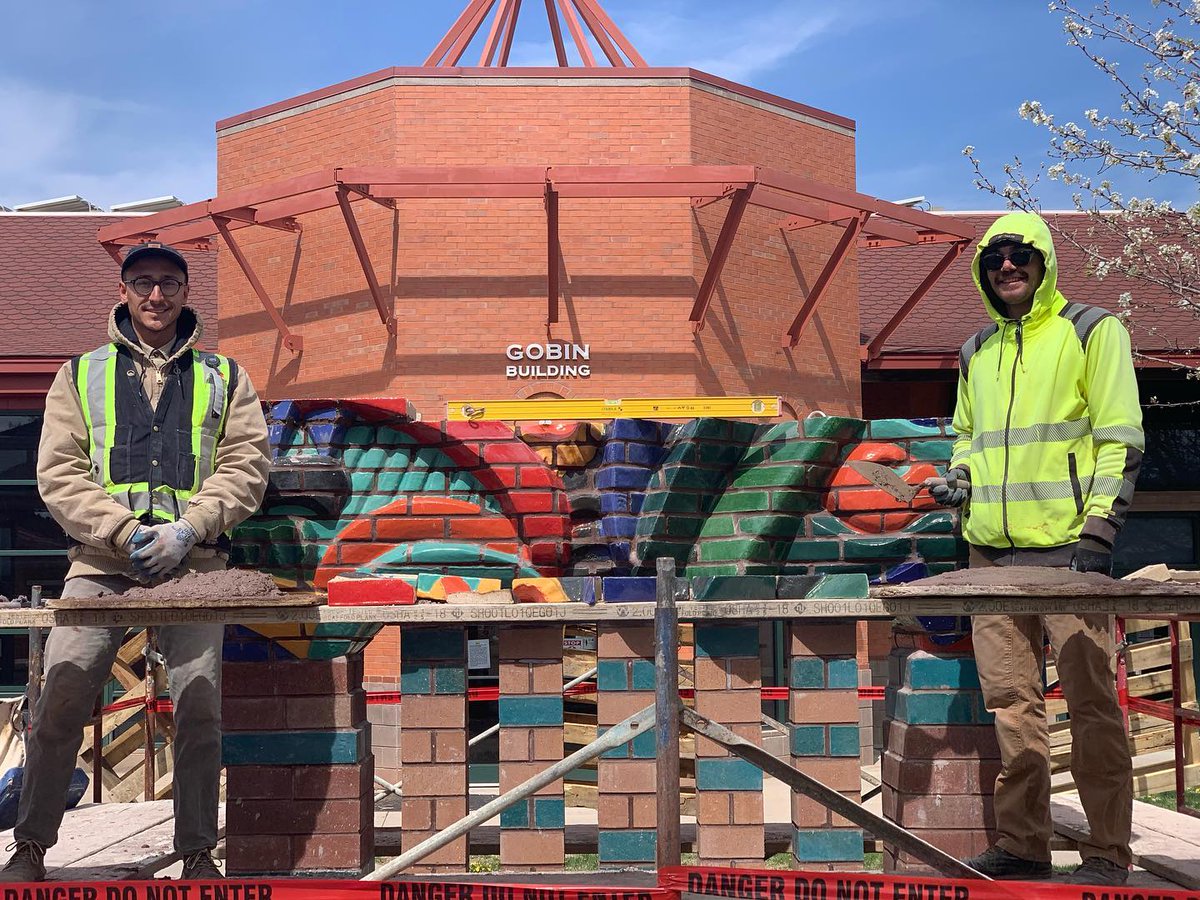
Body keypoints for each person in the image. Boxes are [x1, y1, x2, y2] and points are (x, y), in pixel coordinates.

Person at [2, 243, 271, 882]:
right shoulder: (79, 374)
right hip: (99, 561)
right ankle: (31, 846)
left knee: (200, 703)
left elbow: (247, 467)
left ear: (185, 292)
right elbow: (59, 473)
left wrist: (187, 529)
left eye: (169, 283)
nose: (157, 295)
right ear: (124, 291)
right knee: (64, 692)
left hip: (195, 563)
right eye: (144, 283)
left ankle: (199, 851)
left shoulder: (226, 376)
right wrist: (123, 532)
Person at [923, 212, 1143, 886]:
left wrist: (1101, 526)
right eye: (995, 259)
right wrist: (959, 480)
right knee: (1012, 708)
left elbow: (1120, 437)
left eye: (1021, 255)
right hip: (990, 556)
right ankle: (1024, 845)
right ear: (982, 272)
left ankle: (1107, 850)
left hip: (1070, 553)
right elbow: (966, 435)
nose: (1008, 267)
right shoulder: (975, 352)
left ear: (1044, 261)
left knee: (1092, 707)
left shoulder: (1092, 331)